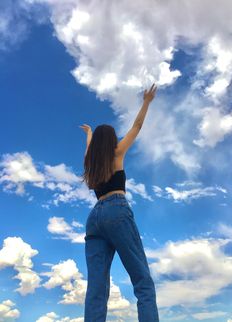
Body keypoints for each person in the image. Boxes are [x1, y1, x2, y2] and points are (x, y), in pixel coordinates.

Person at [79, 83, 159, 322]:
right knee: (142, 281)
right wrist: (146, 101)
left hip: (93, 220)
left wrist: (89, 134)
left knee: (96, 288)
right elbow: (137, 126)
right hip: (116, 210)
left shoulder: (91, 164)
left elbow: (89, 150)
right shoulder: (117, 152)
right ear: (112, 140)